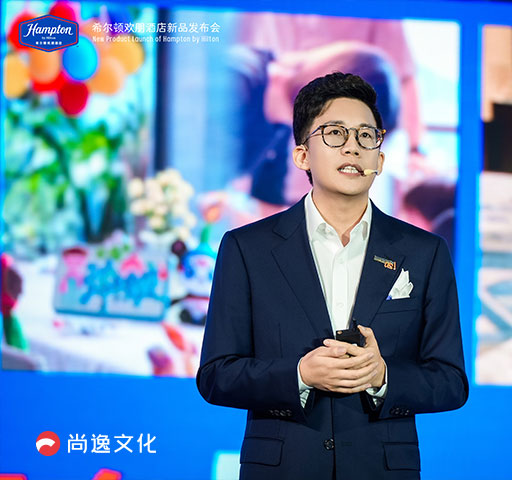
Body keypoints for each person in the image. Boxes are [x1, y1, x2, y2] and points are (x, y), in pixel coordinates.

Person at [196, 72, 468, 480]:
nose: (353, 147)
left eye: (366, 136)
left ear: (380, 159)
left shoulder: (424, 252)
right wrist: (300, 376)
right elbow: (216, 375)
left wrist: (382, 377)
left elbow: (450, 381)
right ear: (302, 156)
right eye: (336, 133)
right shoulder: (247, 248)